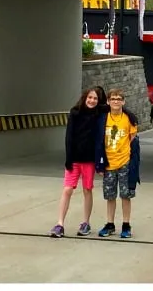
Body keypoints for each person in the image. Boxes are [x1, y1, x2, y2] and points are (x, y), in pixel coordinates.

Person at [50, 88, 105, 238]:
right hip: (74, 159)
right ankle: (60, 224)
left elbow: (117, 106)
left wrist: (130, 115)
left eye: (95, 98)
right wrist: (68, 158)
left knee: (87, 190)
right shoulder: (75, 113)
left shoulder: (100, 114)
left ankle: (85, 223)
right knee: (67, 190)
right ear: (85, 97)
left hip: (89, 160)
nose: (92, 101)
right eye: (90, 97)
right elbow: (69, 136)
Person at [96, 89, 140, 239]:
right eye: (113, 99)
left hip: (124, 162)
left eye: (119, 99)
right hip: (108, 163)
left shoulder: (128, 119)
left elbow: (132, 136)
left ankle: (126, 224)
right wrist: (99, 163)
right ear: (108, 101)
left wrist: (124, 151)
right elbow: (98, 141)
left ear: (123, 101)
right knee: (110, 196)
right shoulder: (103, 119)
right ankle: (110, 224)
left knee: (125, 195)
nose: (116, 101)